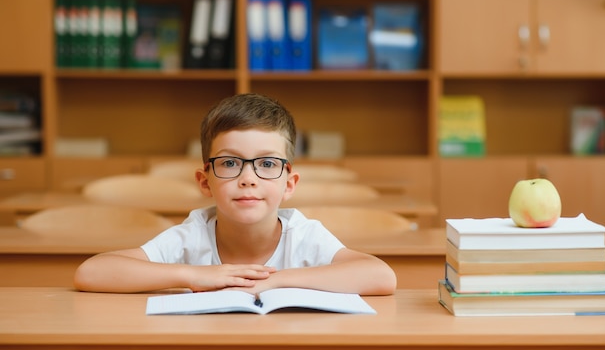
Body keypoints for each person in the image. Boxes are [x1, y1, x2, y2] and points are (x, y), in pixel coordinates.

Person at [74, 93, 397, 295]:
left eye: (267, 163)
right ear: (205, 181)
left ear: (289, 183)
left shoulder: (304, 235)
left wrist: (274, 281)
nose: (248, 178)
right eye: (230, 163)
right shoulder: (192, 237)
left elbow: (380, 276)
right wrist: (194, 275)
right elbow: (92, 272)